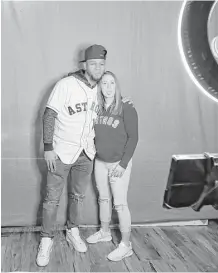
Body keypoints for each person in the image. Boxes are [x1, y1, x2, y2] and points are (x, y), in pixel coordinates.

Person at [36, 45, 132, 267]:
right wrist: (48, 147)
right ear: (84, 65)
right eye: (93, 64)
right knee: (52, 199)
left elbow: (114, 102)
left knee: (77, 196)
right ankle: (46, 239)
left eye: (101, 64)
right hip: (61, 151)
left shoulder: (101, 89)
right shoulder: (66, 84)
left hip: (86, 152)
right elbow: (49, 115)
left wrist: (126, 102)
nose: (97, 68)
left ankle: (73, 230)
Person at [85, 71, 138, 262]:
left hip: (118, 163)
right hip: (100, 162)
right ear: (99, 87)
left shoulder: (126, 107)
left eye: (111, 83)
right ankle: (105, 232)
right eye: (104, 83)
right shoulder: (96, 108)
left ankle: (126, 245)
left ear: (117, 86)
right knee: (103, 199)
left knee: (120, 204)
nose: (108, 87)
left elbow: (133, 138)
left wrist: (123, 165)